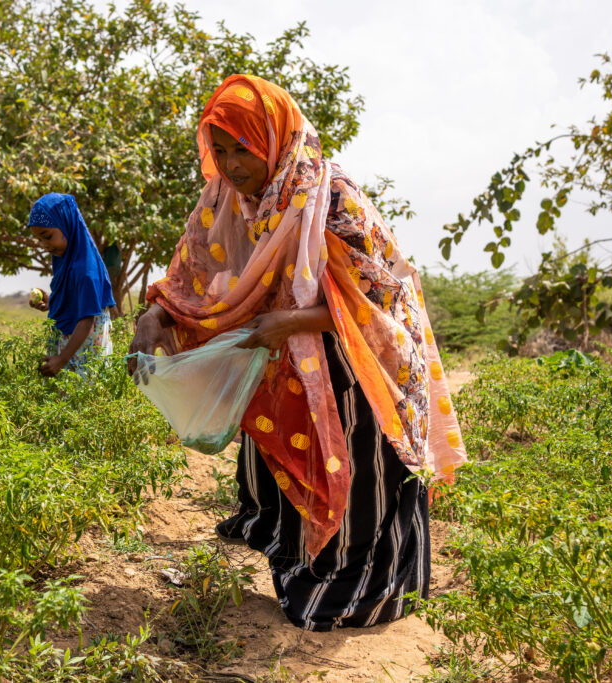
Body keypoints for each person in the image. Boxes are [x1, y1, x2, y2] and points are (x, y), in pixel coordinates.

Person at [128, 75, 467, 630]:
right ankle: (306, 558)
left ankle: (369, 591)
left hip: (354, 361)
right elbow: (190, 276)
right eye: (221, 150)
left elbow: (381, 296)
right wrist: (153, 317)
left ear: (276, 136)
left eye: (245, 147)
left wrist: (291, 321)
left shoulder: (331, 197)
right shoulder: (222, 200)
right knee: (298, 467)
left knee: (361, 477)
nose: (234, 164)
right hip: (286, 354)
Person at [27, 192, 117, 378]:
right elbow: (78, 305)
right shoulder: (68, 263)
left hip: (82, 355)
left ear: (67, 225)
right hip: (71, 354)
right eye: (40, 240)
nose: (45, 245)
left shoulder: (85, 270)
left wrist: (62, 359)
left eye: (48, 236)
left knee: (84, 402)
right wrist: (53, 301)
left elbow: (87, 320)